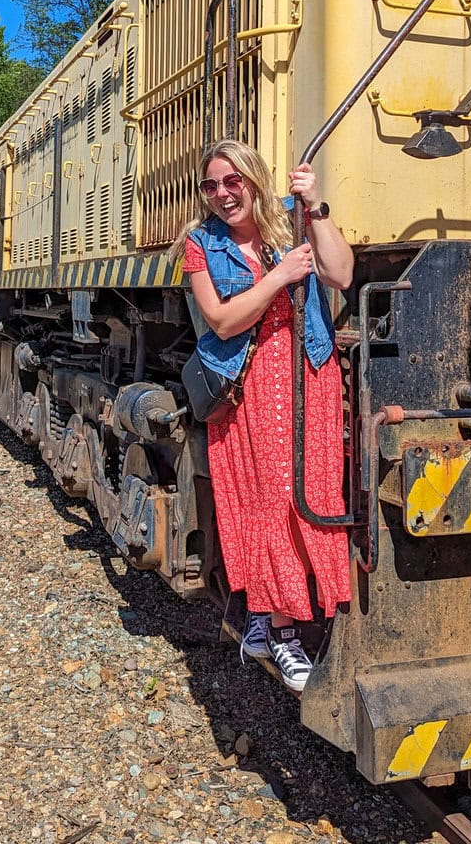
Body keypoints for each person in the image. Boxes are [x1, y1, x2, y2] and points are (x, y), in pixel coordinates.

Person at [174, 139, 354, 692]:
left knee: (308, 495)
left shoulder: (292, 221)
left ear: (253, 179)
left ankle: (263, 617)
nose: (223, 194)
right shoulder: (200, 245)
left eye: (233, 182)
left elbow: (341, 275)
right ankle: (282, 632)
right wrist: (277, 278)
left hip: (307, 376)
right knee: (265, 503)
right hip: (248, 388)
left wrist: (316, 206)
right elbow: (222, 321)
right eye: (211, 186)